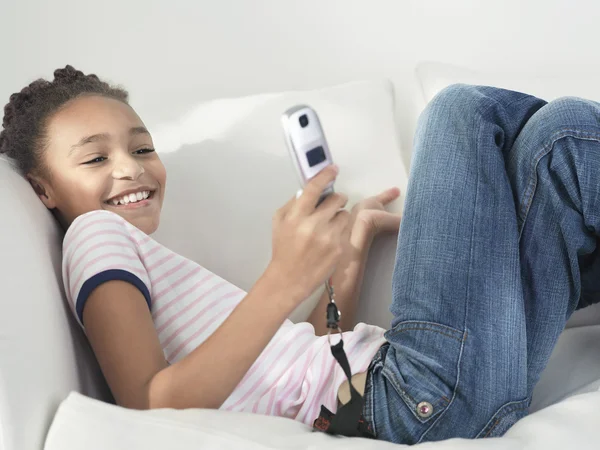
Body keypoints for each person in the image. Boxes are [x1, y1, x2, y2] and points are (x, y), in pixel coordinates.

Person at [0, 66, 597, 445]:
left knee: (556, 145)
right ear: (44, 189)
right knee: (461, 109)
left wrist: (347, 257)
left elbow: (300, 366)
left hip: (417, 396)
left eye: (141, 147)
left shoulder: (148, 261)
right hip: (409, 398)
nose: (130, 167)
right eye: (95, 158)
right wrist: (282, 279)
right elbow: (150, 405)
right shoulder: (94, 236)